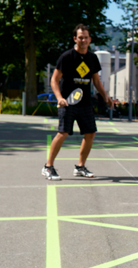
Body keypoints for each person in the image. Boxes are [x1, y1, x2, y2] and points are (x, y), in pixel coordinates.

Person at [42, 24, 113, 181]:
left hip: (85, 104)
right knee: (63, 133)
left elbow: (96, 81)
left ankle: (80, 167)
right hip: (68, 102)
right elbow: (54, 79)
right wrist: (59, 98)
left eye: (86, 37)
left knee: (90, 134)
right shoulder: (67, 57)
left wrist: (105, 96)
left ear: (90, 39)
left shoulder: (92, 58)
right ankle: (48, 167)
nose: (83, 40)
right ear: (75, 39)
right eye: (80, 37)